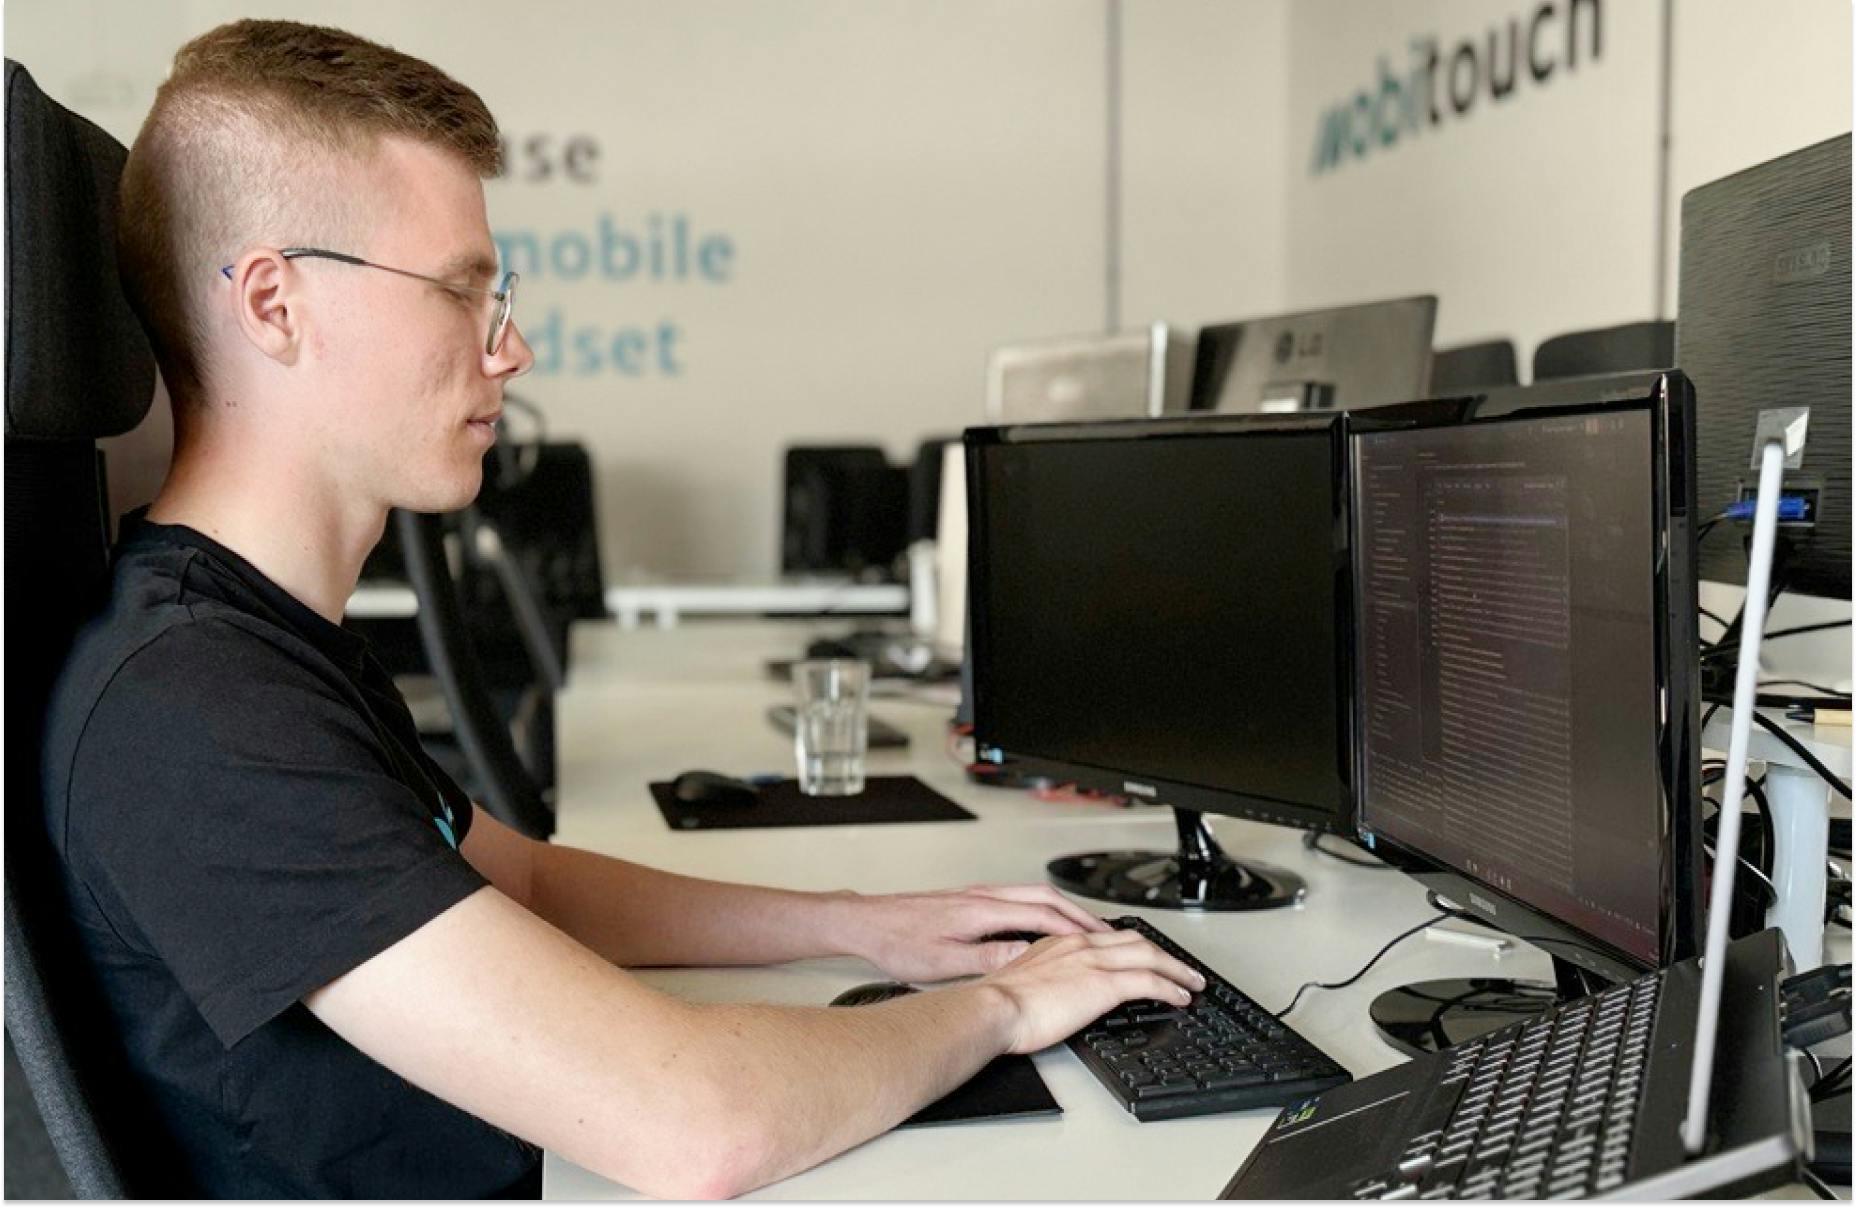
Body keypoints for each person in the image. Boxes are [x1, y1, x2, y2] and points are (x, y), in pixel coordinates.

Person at [40, 19, 1201, 1199]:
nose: (514, 346)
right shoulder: (195, 710)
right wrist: (1001, 1004)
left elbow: (526, 882)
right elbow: (694, 1125)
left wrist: (863, 923)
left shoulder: (265, 642)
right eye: (459, 290)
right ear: (276, 303)